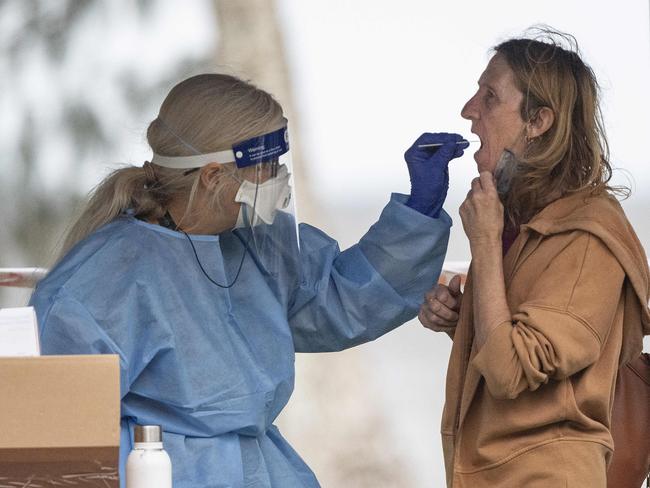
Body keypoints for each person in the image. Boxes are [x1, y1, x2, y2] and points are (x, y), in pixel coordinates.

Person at [29, 73, 467, 487]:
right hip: (160, 472)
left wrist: (419, 211)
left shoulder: (259, 240)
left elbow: (340, 297)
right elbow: (55, 436)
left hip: (261, 470)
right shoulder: (105, 276)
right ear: (215, 176)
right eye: (266, 165)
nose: (279, 177)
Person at [419, 30, 650, 487]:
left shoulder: (588, 237)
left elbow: (509, 373)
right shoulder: (521, 223)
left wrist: (483, 243)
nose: (469, 110)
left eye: (489, 97)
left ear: (538, 121)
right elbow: (511, 345)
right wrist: (457, 319)